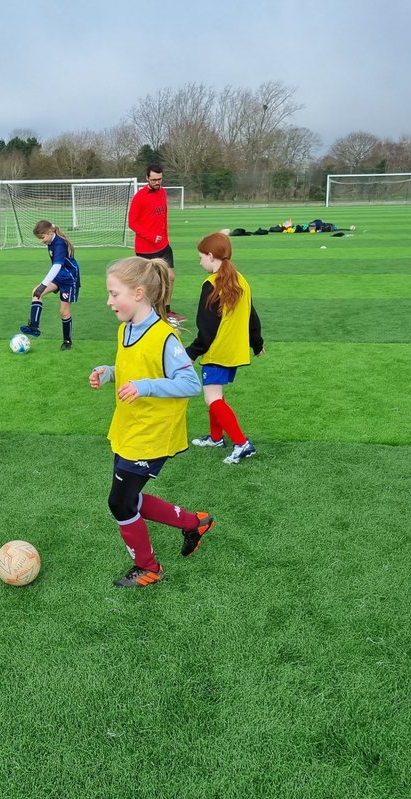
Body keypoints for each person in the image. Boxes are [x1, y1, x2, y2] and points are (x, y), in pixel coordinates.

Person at [88, 256, 210, 588]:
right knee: (129, 498)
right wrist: (108, 373)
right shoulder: (125, 330)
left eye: (114, 294)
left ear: (139, 293)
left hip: (152, 434)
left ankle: (149, 567)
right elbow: (132, 368)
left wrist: (146, 386)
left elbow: (190, 384)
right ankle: (193, 523)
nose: (109, 301)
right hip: (129, 428)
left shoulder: (164, 337)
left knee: (119, 502)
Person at [185, 232, 264, 464]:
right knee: (216, 394)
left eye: (201, 257)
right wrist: (257, 344)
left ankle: (242, 443)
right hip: (234, 351)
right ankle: (216, 438)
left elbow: (206, 327)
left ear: (211, 256)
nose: (199, 261)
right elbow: (252, 317)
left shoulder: (211, 285)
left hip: (217, 351)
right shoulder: (241, 280)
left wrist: (192, 351)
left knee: (212, 398)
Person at [127, 164, 181, 324]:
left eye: (160, 179)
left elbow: (163, 217)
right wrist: (151, 236)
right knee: (148, 284)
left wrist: (165, 238)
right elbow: (132, 223)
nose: (157, 182)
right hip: (145, 248)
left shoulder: (163, 192)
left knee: (170, 277)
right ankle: (142, 313)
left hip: (163, 245)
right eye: (154, 179)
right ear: (147, 178)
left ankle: (166, 310)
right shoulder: (140, 197)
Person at [19, 220, 80, 350]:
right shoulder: (51, 238)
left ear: (50, 232)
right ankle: (34, 327)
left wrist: (43, 284)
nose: (41, 241)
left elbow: (57, 266)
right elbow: (56, 267)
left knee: (63, 312)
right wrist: (41, 286)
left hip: (69, 278)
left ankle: (67, 341)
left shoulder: (59, 243)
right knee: (36, 292)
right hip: (59, 275)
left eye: (42, 238)